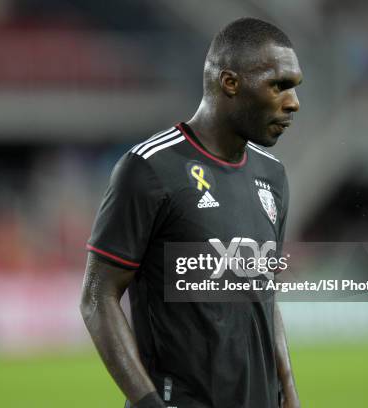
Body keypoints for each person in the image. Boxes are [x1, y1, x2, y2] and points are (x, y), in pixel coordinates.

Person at [80, 17, 302, 408]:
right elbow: (98, 296)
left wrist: (289, 390)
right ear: (230, 83)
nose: (293, 102)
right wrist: (149, 403)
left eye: (294, 87)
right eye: (278, 85)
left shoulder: (274, 175)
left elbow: (264, 295)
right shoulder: (150, 168)